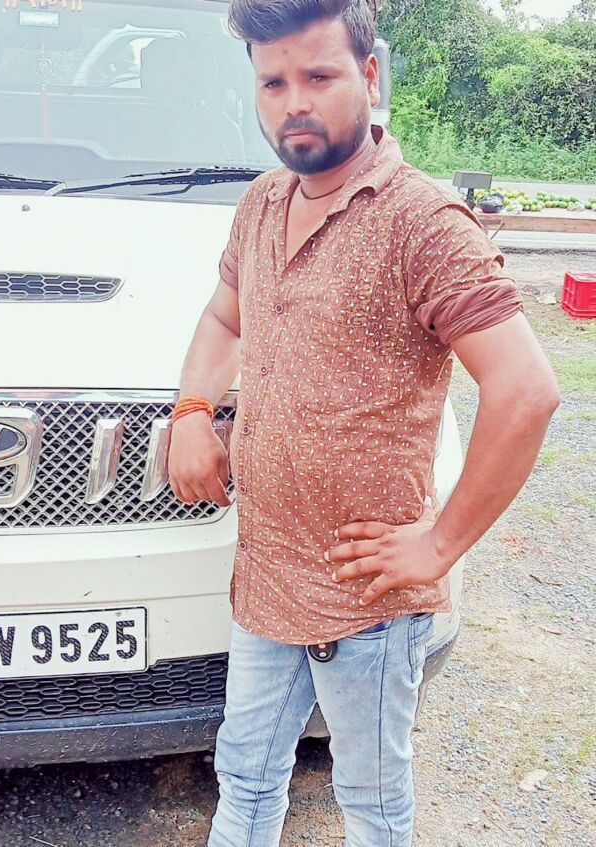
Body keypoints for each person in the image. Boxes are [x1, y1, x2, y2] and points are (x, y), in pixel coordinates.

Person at [167, 1, 560, 844]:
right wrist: (194, 409)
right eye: (273, 83)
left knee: (372, 802)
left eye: (318, 76)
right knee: (245, 777)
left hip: (368, 599)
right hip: (266, 571)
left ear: (370, 76)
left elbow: (527, 391)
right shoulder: (262, 203)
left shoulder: (423, 224)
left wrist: (439, 544)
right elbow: (224, 317)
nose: (294, 102)